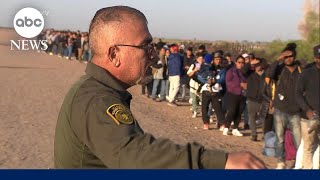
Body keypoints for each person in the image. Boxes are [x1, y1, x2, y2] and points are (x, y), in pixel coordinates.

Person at [54, 6, 266, 169]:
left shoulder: (98, 91)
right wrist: (220, 161)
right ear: (114, 54)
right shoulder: (96, 99)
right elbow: (135, 154)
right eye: (145, 47)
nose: (153, 54)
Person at [267, 43, 302, 169]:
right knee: (280, 139)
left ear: (294, 56)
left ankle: (299, 163)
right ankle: (281, 161)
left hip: (296, 111)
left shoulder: (300, 70)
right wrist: (278, 58)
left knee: (298, 141)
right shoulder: (279, 69)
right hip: (280, 109)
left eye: (291, 56)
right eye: (286, 56)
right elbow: (269, 74)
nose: (288, 59)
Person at [295, 44, 320, 169]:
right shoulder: (306, 74)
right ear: (315, 58)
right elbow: (298, 94)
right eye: (318, 57)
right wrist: (307, 109)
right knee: (308, 147)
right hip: (308, 118)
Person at [223, 56, 247, 137]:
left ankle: (235, 128)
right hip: (233, 94)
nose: (241, 64)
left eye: (243, 62)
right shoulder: (231, 71)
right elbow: (228, 82)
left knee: (239, 112)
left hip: (243, 94)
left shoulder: (244, 72)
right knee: (232, 111)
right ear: (236, 62)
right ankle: (226, 127)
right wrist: (239, 85)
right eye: (239, 62)